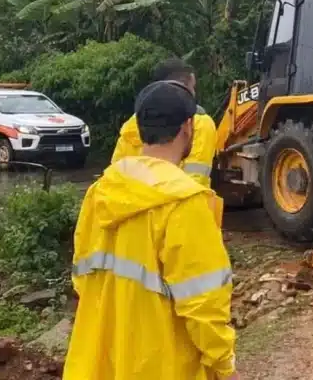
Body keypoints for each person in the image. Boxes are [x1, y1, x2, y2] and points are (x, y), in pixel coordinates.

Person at [63, 81, 240, 380]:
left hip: (99, 363)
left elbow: (82, 280)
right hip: (161, 366)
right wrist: (225, 367)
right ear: (187, 127)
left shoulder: (100, 192)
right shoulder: (184, 203)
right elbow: (204, 306)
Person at [111, 58, 217, 188]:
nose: (194, 93)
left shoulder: (134, 121)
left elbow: (116, 173)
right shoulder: (200, 122)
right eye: (192, 87)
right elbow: (195, 180)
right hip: (183, 204)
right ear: (182, 88)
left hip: (129, 203)